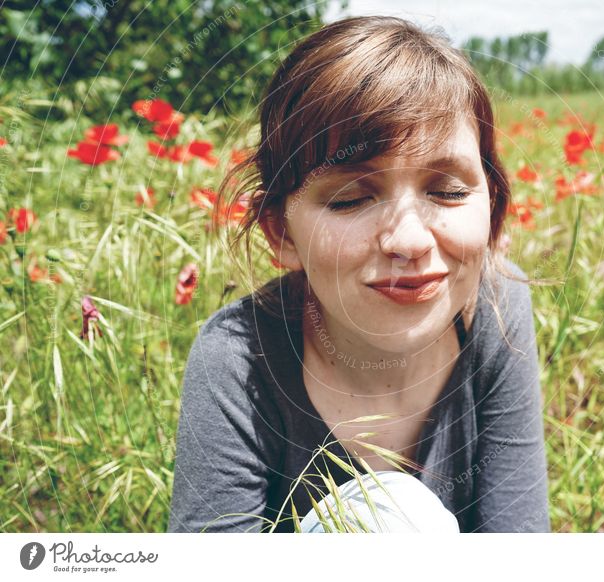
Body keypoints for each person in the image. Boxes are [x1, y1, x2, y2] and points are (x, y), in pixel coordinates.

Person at [168, 15, 549, 533]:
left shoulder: (498, 305)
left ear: (492, 202)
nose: (411, 241)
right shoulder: (239, 359)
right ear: (281, 232)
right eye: (350, 199)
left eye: (450, 191)